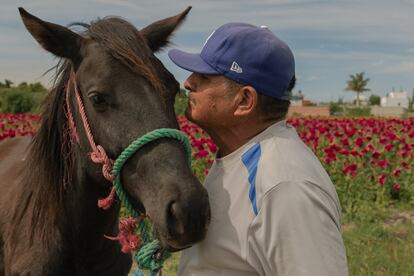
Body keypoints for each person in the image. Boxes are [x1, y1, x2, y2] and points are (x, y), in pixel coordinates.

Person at [168, 22, 348, 276]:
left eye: (205, 77)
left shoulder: (285, 186)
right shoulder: (241, 155)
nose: (188, 83)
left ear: (244, 101)